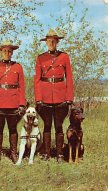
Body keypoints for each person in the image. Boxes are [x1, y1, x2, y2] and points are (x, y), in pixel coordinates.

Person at [34, 29, 74, 163]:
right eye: (49, 41)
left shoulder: (64, 57)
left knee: (59, 126)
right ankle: (46, 153)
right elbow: (37, 80)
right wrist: (38, 98)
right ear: (46, 42)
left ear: (57, 42)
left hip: (60, 96)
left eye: (53, 41)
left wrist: (69, 98)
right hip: (45, 97)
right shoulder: (40, 58)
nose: (51, 43)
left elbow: (69, 78)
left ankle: (59, 154)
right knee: (46, 125)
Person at [0, 40, 26, 164]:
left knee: (13, 129)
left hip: (13, 102)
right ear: (0, 52)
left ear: (12, 52)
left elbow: (21, 87)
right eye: (4, 51)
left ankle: (13, 153)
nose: (7, 53)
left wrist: (21, 104)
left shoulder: (17, 66)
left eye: (9, 51)